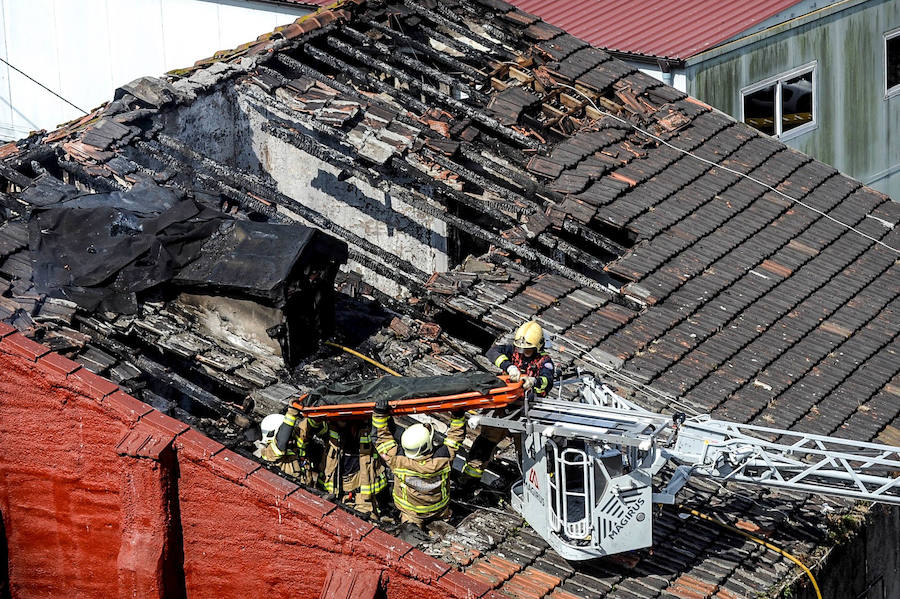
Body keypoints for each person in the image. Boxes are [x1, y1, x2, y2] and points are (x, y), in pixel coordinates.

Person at [459, 319, 554, 487]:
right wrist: (509, 366)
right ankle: (468, 482)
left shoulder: (544, 361)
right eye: (521, 348)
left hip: (525, 413)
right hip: (503, 408)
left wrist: (534, 381)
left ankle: (530, 486)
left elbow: (548, 380)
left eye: (528, 349)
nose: (523, 351)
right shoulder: (512, 352)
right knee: (484, 445)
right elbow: (492, 352)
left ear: (538, 347)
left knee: (527, 453)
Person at [262, 406, 386, 516]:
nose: (290, 439)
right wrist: (291, 414)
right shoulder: (269, 455)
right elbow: (281, 443)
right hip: (292, 504)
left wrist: (319, 411)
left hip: (310, 499)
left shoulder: (295, 447)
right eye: (287, 434)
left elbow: (307, 428)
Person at [372, 396, 466, 528]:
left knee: (409, 533)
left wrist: (379, 414)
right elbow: (456, 437)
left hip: (411, 513)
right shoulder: (443, 459)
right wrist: (458, 415)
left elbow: (380, 438)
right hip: (439, 509)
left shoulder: (397, 460)